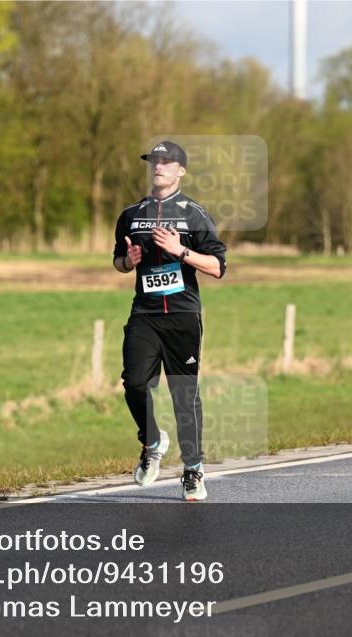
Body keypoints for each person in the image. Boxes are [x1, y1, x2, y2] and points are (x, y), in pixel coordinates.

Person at [112, 140, 228, 501]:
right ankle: (152, 441)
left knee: (184, 395)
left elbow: (218, 266)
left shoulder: (194, 214)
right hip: (145, 314)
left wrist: (181, 250)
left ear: (181, 171)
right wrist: (128, 261)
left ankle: (193, 469)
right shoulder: (132, 214)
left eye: (166, 161)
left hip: (182, 316)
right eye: (154, 161)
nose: (158, 166)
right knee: (133, 382)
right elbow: (118, 261)